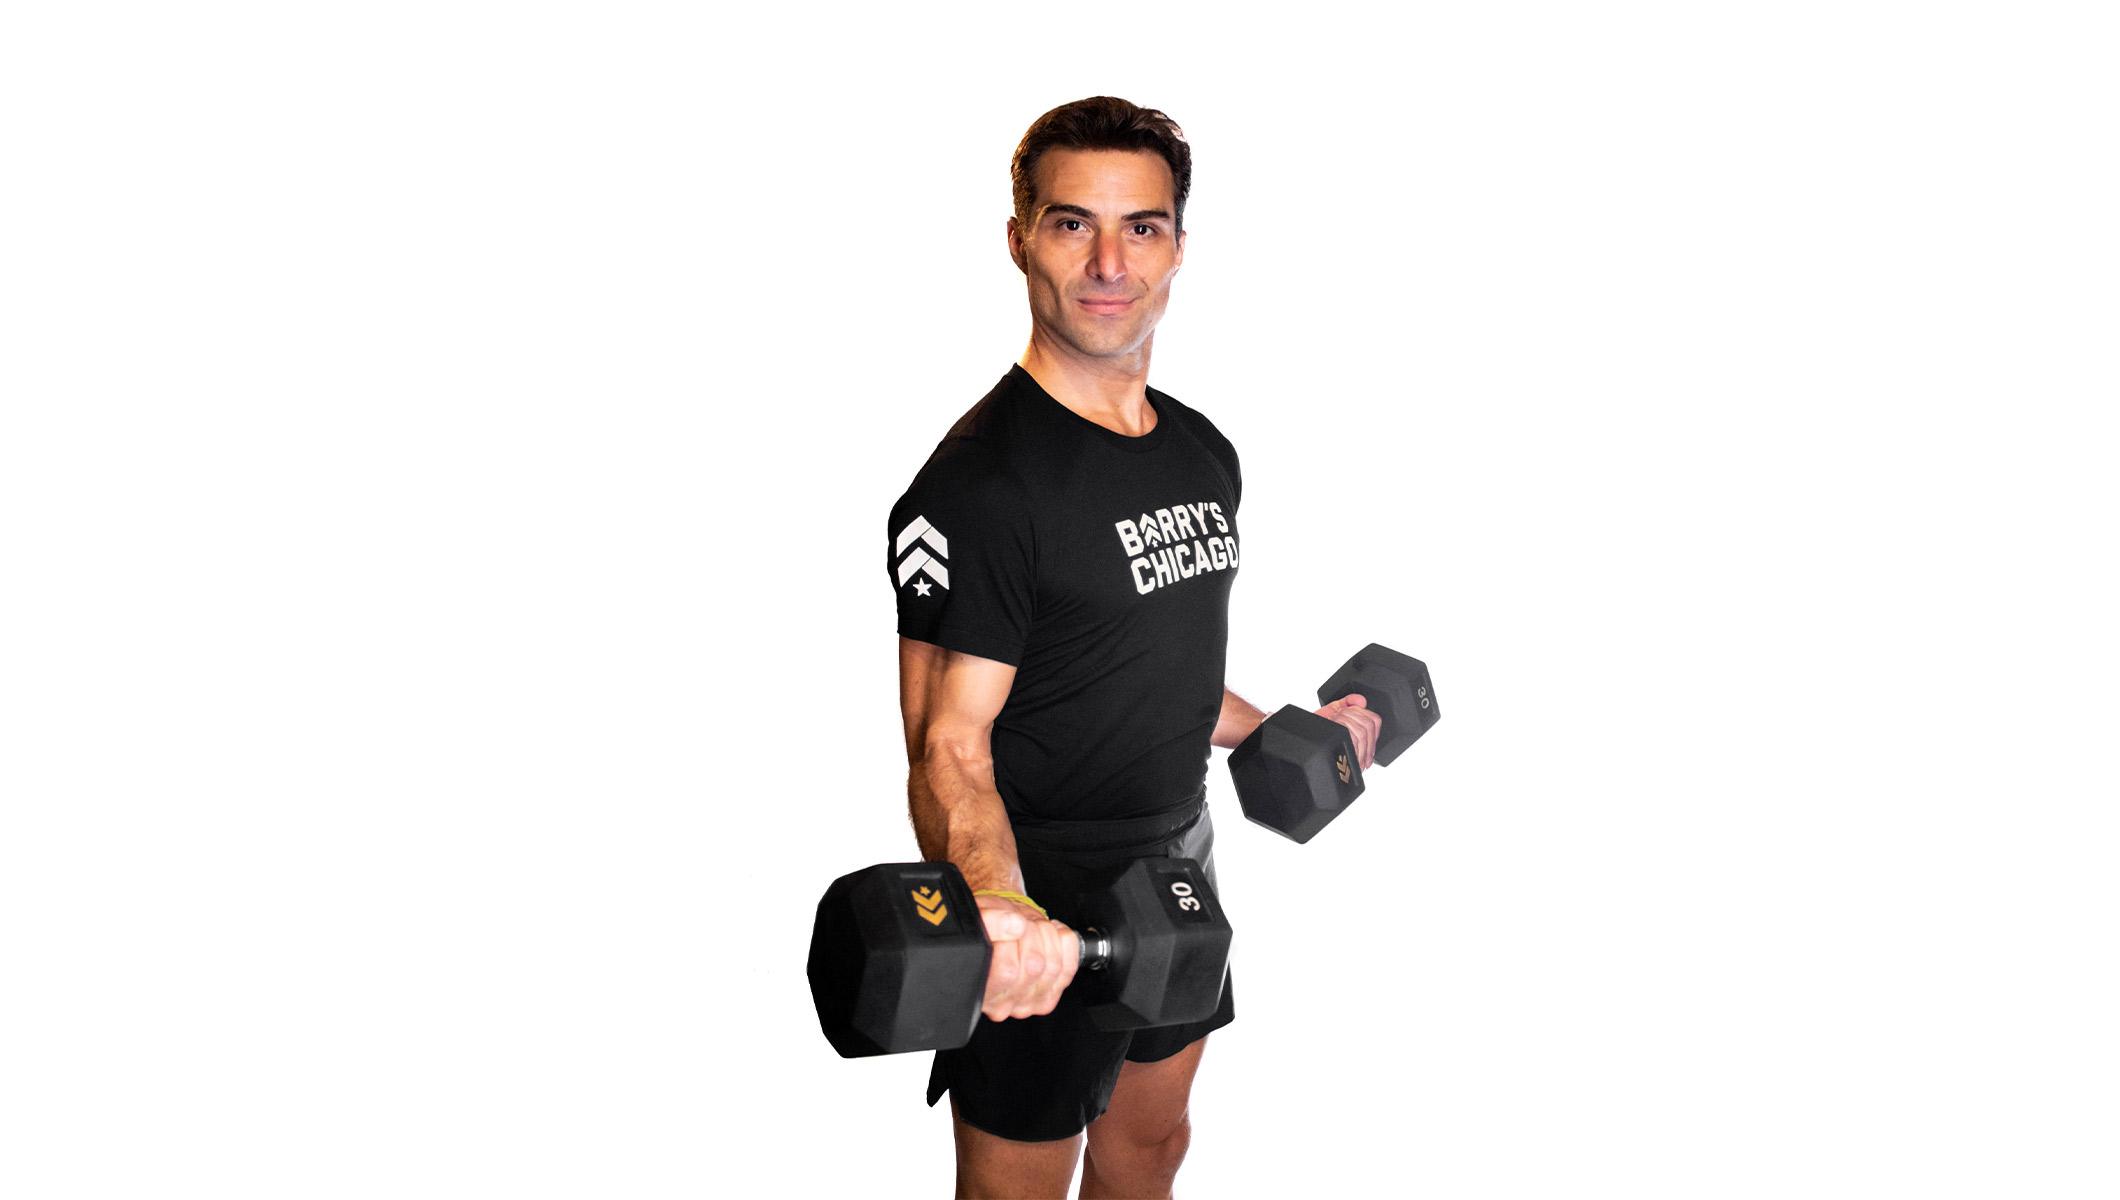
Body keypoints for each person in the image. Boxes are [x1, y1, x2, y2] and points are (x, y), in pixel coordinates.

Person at [885, 96, 1383, 1199]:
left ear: (1176, 246)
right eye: (1071, 225)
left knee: (1150, 1147)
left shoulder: (1201, 453)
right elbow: (946, 742)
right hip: (1042, 887)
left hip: (1176, 869)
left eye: (1140, 228)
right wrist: (997, 905)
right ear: (1020, 236)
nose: (1108, 263)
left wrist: (1289, 730)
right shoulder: (977, 488)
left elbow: (1152, 664)